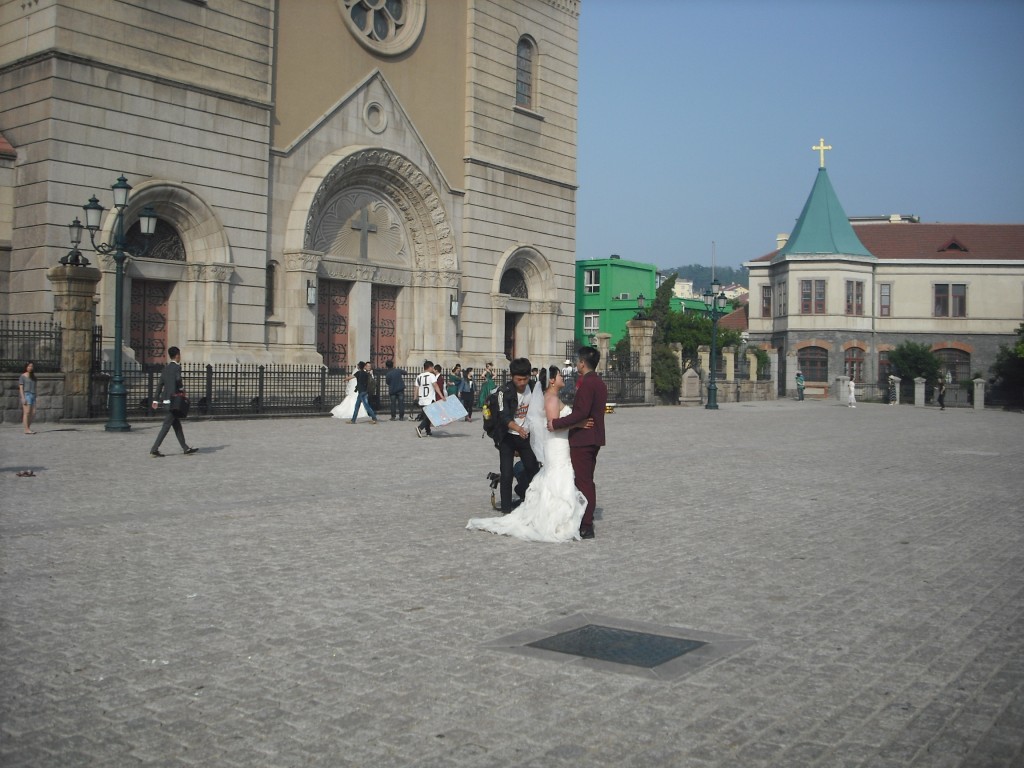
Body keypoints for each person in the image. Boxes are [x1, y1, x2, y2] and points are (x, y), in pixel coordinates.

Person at [468, 365, 590, 542]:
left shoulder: (541, 392)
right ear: (552, 380)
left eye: (525, 379)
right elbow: (552, 425)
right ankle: (516, 509)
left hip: (552, 444)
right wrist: (578, 424)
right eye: (560, 375)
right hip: (533, 441)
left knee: (544, 473)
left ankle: (547, 508)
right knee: (542, 475)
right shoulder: (548, 399)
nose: (563, 377)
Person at [550, 346, 606, 539]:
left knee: (584, 481)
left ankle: (586, 524)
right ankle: (582, 518)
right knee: (586, 479)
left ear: (582, 362)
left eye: (577, 361)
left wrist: (556, 423)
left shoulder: (588, 384)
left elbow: (581, 413)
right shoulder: (598, 382)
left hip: (584, 438)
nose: (576, 364)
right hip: (594, 437)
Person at [490, 357, 541, 513]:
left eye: (525, 379)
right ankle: (506, 510)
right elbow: (503, 416)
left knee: (533, 470)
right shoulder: (503, 392)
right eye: (519, 379)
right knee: (507, 473)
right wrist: (518, 429)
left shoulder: (534, 388)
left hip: (526, 437)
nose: (522, 382)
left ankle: (534, 503)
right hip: (508, 437)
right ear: (512, 377)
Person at [150, 346, 198, 457]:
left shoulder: (165, 369)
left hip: (166, 401)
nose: (180, 357)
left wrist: (155, 400)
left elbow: (160, 385)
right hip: (174, 401)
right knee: (166, 426)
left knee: (177, 426)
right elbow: (178, 379)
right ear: (177, 355)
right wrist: (181, 389)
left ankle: (185, 448)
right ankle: (154, 449)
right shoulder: (177, 367)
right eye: (179, 355)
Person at [415, 360, 443, 437]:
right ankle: (420, 428)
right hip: (429, 398)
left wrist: (415, 398)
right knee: (430, 416)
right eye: (432, 367)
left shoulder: (419, 376)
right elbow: (436, 386)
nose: (433, 369)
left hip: (422, 399)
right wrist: (441, 396)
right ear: (430, 367)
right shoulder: (431, 376)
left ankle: (428, 431)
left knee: (426, 416)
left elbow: (416, 388)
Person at [19, 361, 37, 434]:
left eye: (31, 366)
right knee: (27, 412)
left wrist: (36, 396)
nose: (30, 367)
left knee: (33, 412)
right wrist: (23, 398)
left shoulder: (33, 377)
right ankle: (26, 429)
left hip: (33, 395)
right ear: (26, 367)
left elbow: (35, 387)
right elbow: (21, 387)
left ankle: (28, 428)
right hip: (27, 394)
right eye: (29, 366)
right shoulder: (22, 376)